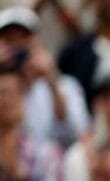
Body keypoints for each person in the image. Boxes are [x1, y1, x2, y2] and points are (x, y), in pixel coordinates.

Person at [0, 7, 89, 148]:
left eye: (22, 39)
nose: (17, 47)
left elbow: (77, 136)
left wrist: (51, 81)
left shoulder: (65, 85)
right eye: (10, 40)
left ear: (36, 42)